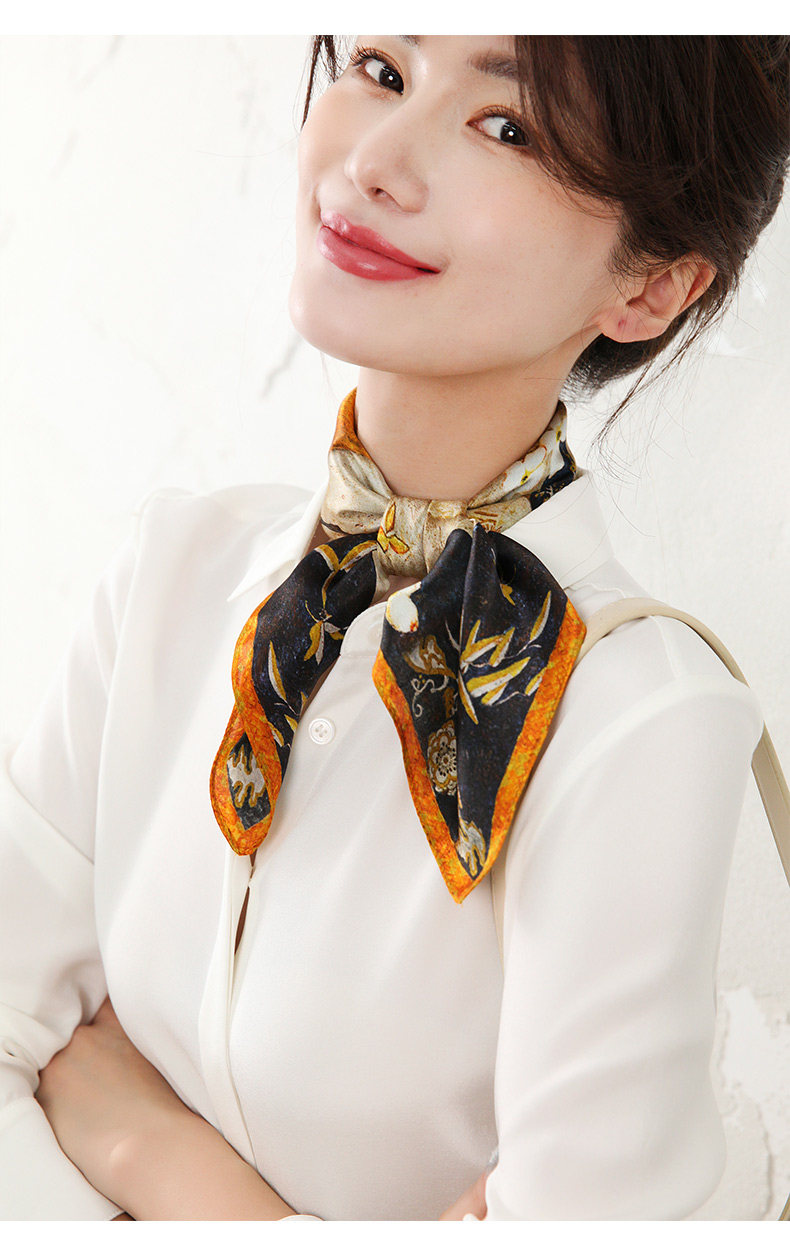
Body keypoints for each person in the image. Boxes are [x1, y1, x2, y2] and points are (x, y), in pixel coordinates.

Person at [0, 34, 788, 1221]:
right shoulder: (171, 571)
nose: (374, 160)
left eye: (507, 128)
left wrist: (144, 1147)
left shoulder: (640, 721)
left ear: (651, 287)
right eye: (379, 67)